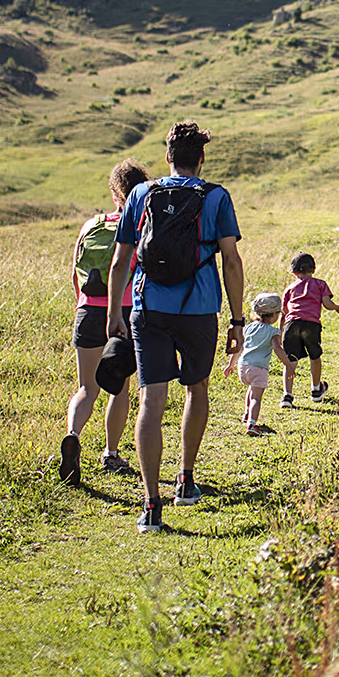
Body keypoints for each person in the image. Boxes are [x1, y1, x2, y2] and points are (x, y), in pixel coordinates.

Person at [104, 123, 245, 533]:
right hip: (200, 310)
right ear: (201, 158)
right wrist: (237, 321)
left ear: (167, 156)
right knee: (196, 388)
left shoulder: (140, 194)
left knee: (151, 400)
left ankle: (150, 504)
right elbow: (231, 262)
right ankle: (185, 478)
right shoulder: (216, 197)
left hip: (148, 309)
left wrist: (115, 313)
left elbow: (120, 261)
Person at [59, 158, 149, 485]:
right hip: (123, 314)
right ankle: (111, 454)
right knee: (119, 387)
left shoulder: (90, 225)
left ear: (114, 193)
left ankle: (72, 433)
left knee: (86, 387)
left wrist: (85, 307)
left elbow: (75, 275)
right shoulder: (140, 227)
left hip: (87, 311)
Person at [279, 252, 339, 408]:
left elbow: (284, 311)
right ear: (314, 269)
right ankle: (316, 390)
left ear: (294, 272)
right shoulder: (320, 284)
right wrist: (337, 308)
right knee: (315, 356)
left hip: (292, 324)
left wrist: (280, 330)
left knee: (291, 361)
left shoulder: (290, 288)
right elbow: (327, 303)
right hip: (311, 325)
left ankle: (287, 396)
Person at [232, 292, 288, 435]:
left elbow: (239, 347)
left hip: (243, 367)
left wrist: (231, 365)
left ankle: (246, 414)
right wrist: (287, 364)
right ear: (274, 315)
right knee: (256, 397)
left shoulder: (248, 328)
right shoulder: (273, 331)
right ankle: (252, 425)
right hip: (259, 369)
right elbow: (277, 348)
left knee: (251, 390)